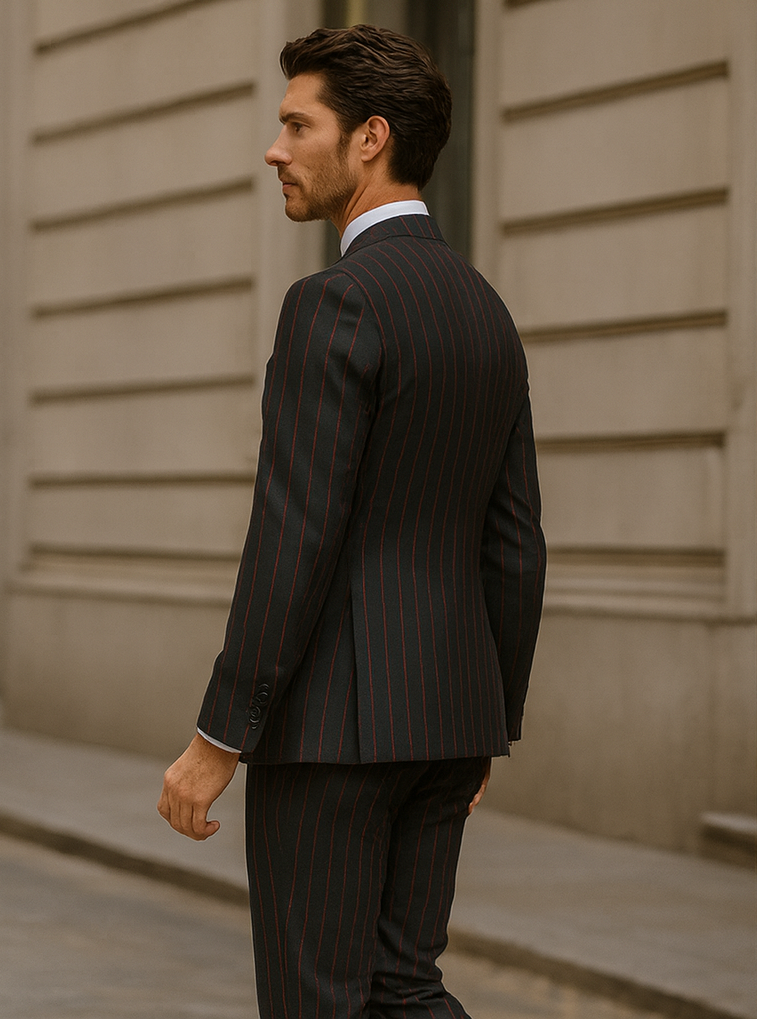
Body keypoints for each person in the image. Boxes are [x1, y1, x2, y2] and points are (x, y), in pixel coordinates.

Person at [158, 23, 546, 1018]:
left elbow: (296, 534)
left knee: (318, 999)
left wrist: (219, 735)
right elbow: (514, 541)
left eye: (297, 123)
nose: (274, 148)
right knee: (403, 987)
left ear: (369, 137)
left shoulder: (333, 303)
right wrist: (485, 718)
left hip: (333, 729)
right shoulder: (482, 309)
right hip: (446, 718)